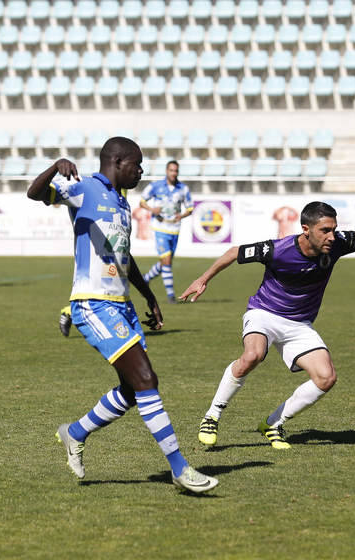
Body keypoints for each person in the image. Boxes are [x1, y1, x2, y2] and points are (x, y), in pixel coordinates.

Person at [181, 201, 355, 449]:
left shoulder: (338, 243)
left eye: (334, 229)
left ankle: (273, 424)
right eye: (325, 230)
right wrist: (203, 279)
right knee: (252, 355)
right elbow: (234, 251)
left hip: (299, 324)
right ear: (306, 229)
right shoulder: (278, 249)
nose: (331, 236)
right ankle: (212, 415)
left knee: (326, 378)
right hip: (264, 313)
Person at [27, 140, 217, 493]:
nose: (141, 171)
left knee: (133, 390)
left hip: (123, 305)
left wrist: (149, 296)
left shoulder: (122, 201)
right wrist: (56, 166)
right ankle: (180, 468)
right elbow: (34, 193)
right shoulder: (83, 189)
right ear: (118, 161)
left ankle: (75, 432)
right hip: (93, 303)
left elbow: (124, 257)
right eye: (137, 164)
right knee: (146, 378)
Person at [138, 160, 194, 303]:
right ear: (166, 171)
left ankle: (145, 279)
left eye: (176, 171)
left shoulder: (183, 189)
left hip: (174, 229)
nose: (173, 173)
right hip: (160, 227)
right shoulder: (156, 186)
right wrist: (152, 209)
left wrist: (181, 215)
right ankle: (171, 296)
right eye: (171, 170)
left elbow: (190, 208)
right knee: (167, 261)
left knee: (165, 262)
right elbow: (142, 202)